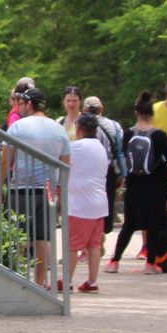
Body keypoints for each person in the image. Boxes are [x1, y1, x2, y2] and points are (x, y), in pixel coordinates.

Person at [0, 86, 71, 290]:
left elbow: (5, 161)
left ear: (29, 104)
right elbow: (66, 166)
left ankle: (17, 279)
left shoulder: (18, 127)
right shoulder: (60, 129)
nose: (19, 107)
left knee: (17, 235)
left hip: (21, 187)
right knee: (44, 235)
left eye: (22, 103)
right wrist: (61, 195)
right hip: (48, 189)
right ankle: (41, 282)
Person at [108, 92, 167, 273]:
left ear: (136, 112)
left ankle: (114, 261)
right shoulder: (159, 136)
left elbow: (123, 159)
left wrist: (122, 179)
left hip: (134, 185)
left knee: (129, 224)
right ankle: (150, 264)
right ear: (152, 113)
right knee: (154, 225)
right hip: (156, 186)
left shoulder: (129, 134)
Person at [64, 112, 111, 292]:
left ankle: (67, 281)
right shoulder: (101, 147)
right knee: (94, 245)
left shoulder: (75, 147)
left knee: (72, 246)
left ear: (79, 128)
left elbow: (63, 165)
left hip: (79, 204)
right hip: (99, 202)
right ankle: (92, 281)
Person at [83, 94, 127, 233]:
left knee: (88, 203)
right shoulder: (114, 125)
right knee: (107, 201)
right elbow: (120, 150)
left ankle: (92, 233)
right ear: (101, 108)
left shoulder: (81, 124)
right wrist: (122, 173)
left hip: (88, 170)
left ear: (84, 109)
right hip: (109, 170)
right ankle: (103, 231)